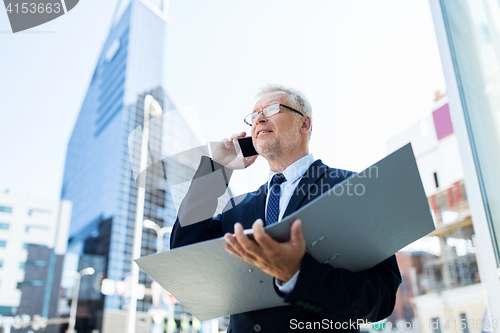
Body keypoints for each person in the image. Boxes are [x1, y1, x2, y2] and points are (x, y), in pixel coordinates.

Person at [170, 84, 401, 332]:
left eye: (270, 109)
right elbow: (184, 247)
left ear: (304, 125)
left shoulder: (351, 187)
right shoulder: (236, 207)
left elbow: (381, 296)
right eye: (254, 116)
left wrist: (297, 274)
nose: (259, 119)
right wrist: (217, 168)